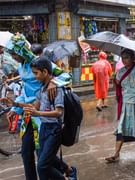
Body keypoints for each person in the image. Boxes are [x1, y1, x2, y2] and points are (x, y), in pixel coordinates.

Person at [5, 34, 76, 180]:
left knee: (42, 156)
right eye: (11, 54)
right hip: (28, 113)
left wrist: (53, 83)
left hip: (42, 115)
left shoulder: (39, 62)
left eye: (14, 54)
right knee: (26, 153)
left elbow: (66, 76)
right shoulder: (22, 66)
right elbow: (25, 92)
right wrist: (14, 109)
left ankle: (67, 170)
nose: (13, 57)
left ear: (22, 50)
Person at [105, 49, 135, 164]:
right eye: (122, 58)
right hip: (127, 105)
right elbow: (116, 85)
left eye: (127, 57)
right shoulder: (120, 72)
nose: (124, 60)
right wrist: (114, 81)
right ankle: (116, 154)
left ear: (133, 58)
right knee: (121, 129)